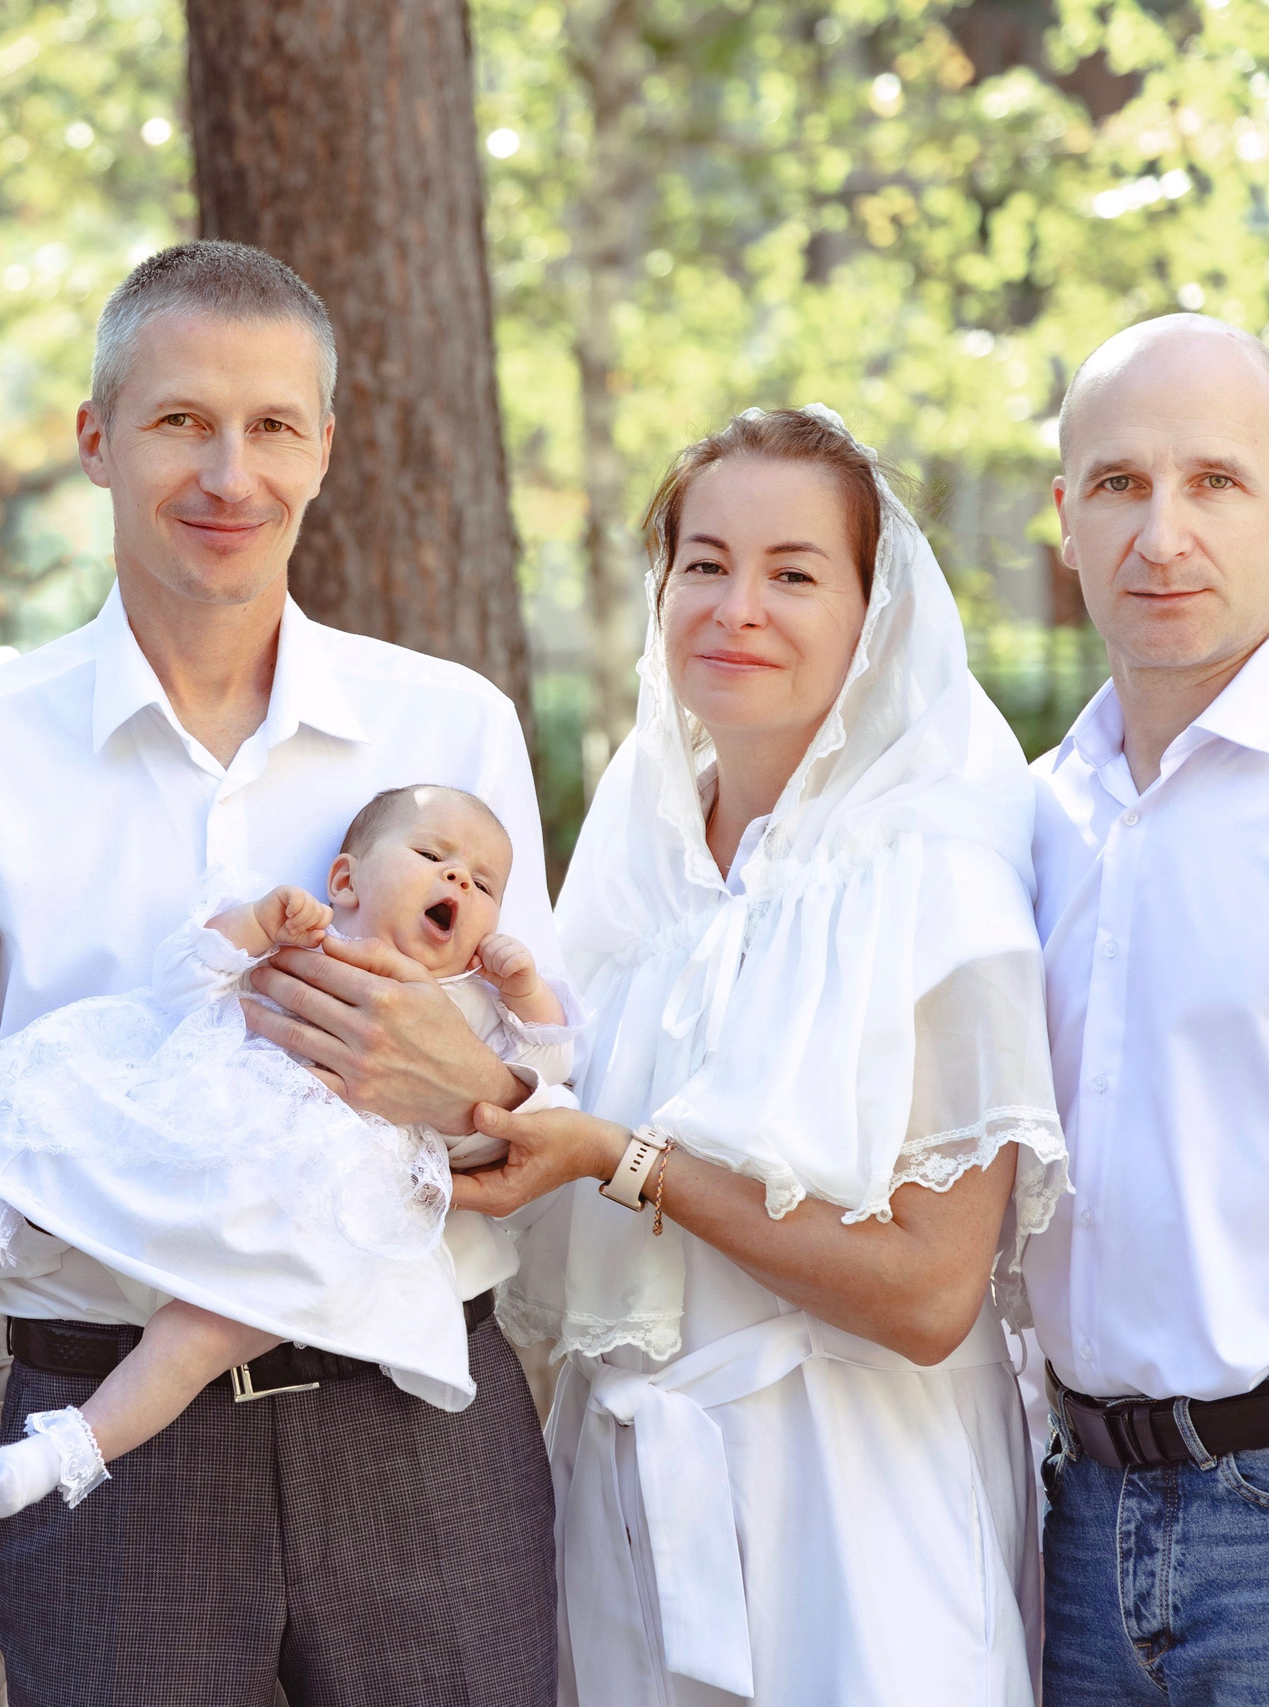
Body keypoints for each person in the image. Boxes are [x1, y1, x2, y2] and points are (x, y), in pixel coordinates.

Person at [0, 240, 571, 1706]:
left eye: (274, 425)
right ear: (97, 438)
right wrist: (91, 1187)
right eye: (181, 421)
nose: (231, 471)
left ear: (324, 450)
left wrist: (471, 1086)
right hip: (113, 1430)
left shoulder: (455, 728)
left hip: (419, 1421)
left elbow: (541, 1099)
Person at [467, 407, 1069, 1706]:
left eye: (794, 570)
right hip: (630, 1500)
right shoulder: (638, 876)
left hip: (855, 1517)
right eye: (704, 562)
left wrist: (631, 1163)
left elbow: (929, 1293)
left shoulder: (940, 880)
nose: (738, 605)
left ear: (873, 612)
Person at [1025, 313, 1269, 1703]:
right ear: (1063, 518)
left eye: (1215, 482)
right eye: (1119, 483)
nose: (1160, 532)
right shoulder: (1028, 816)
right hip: (1074, 1525)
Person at [0, 784, 577, 1518]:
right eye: (433, 855)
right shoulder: (298, 938)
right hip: (212, 1121)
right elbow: (180, 984)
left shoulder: (471, 1001)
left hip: (307, 1212)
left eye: (485, 882)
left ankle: (70, 1445)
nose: (458, 879)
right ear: (345, 881)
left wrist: (526, 989)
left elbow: (548, 1074)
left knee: (205, 1330)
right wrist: (252, 925)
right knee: (94, 1121)